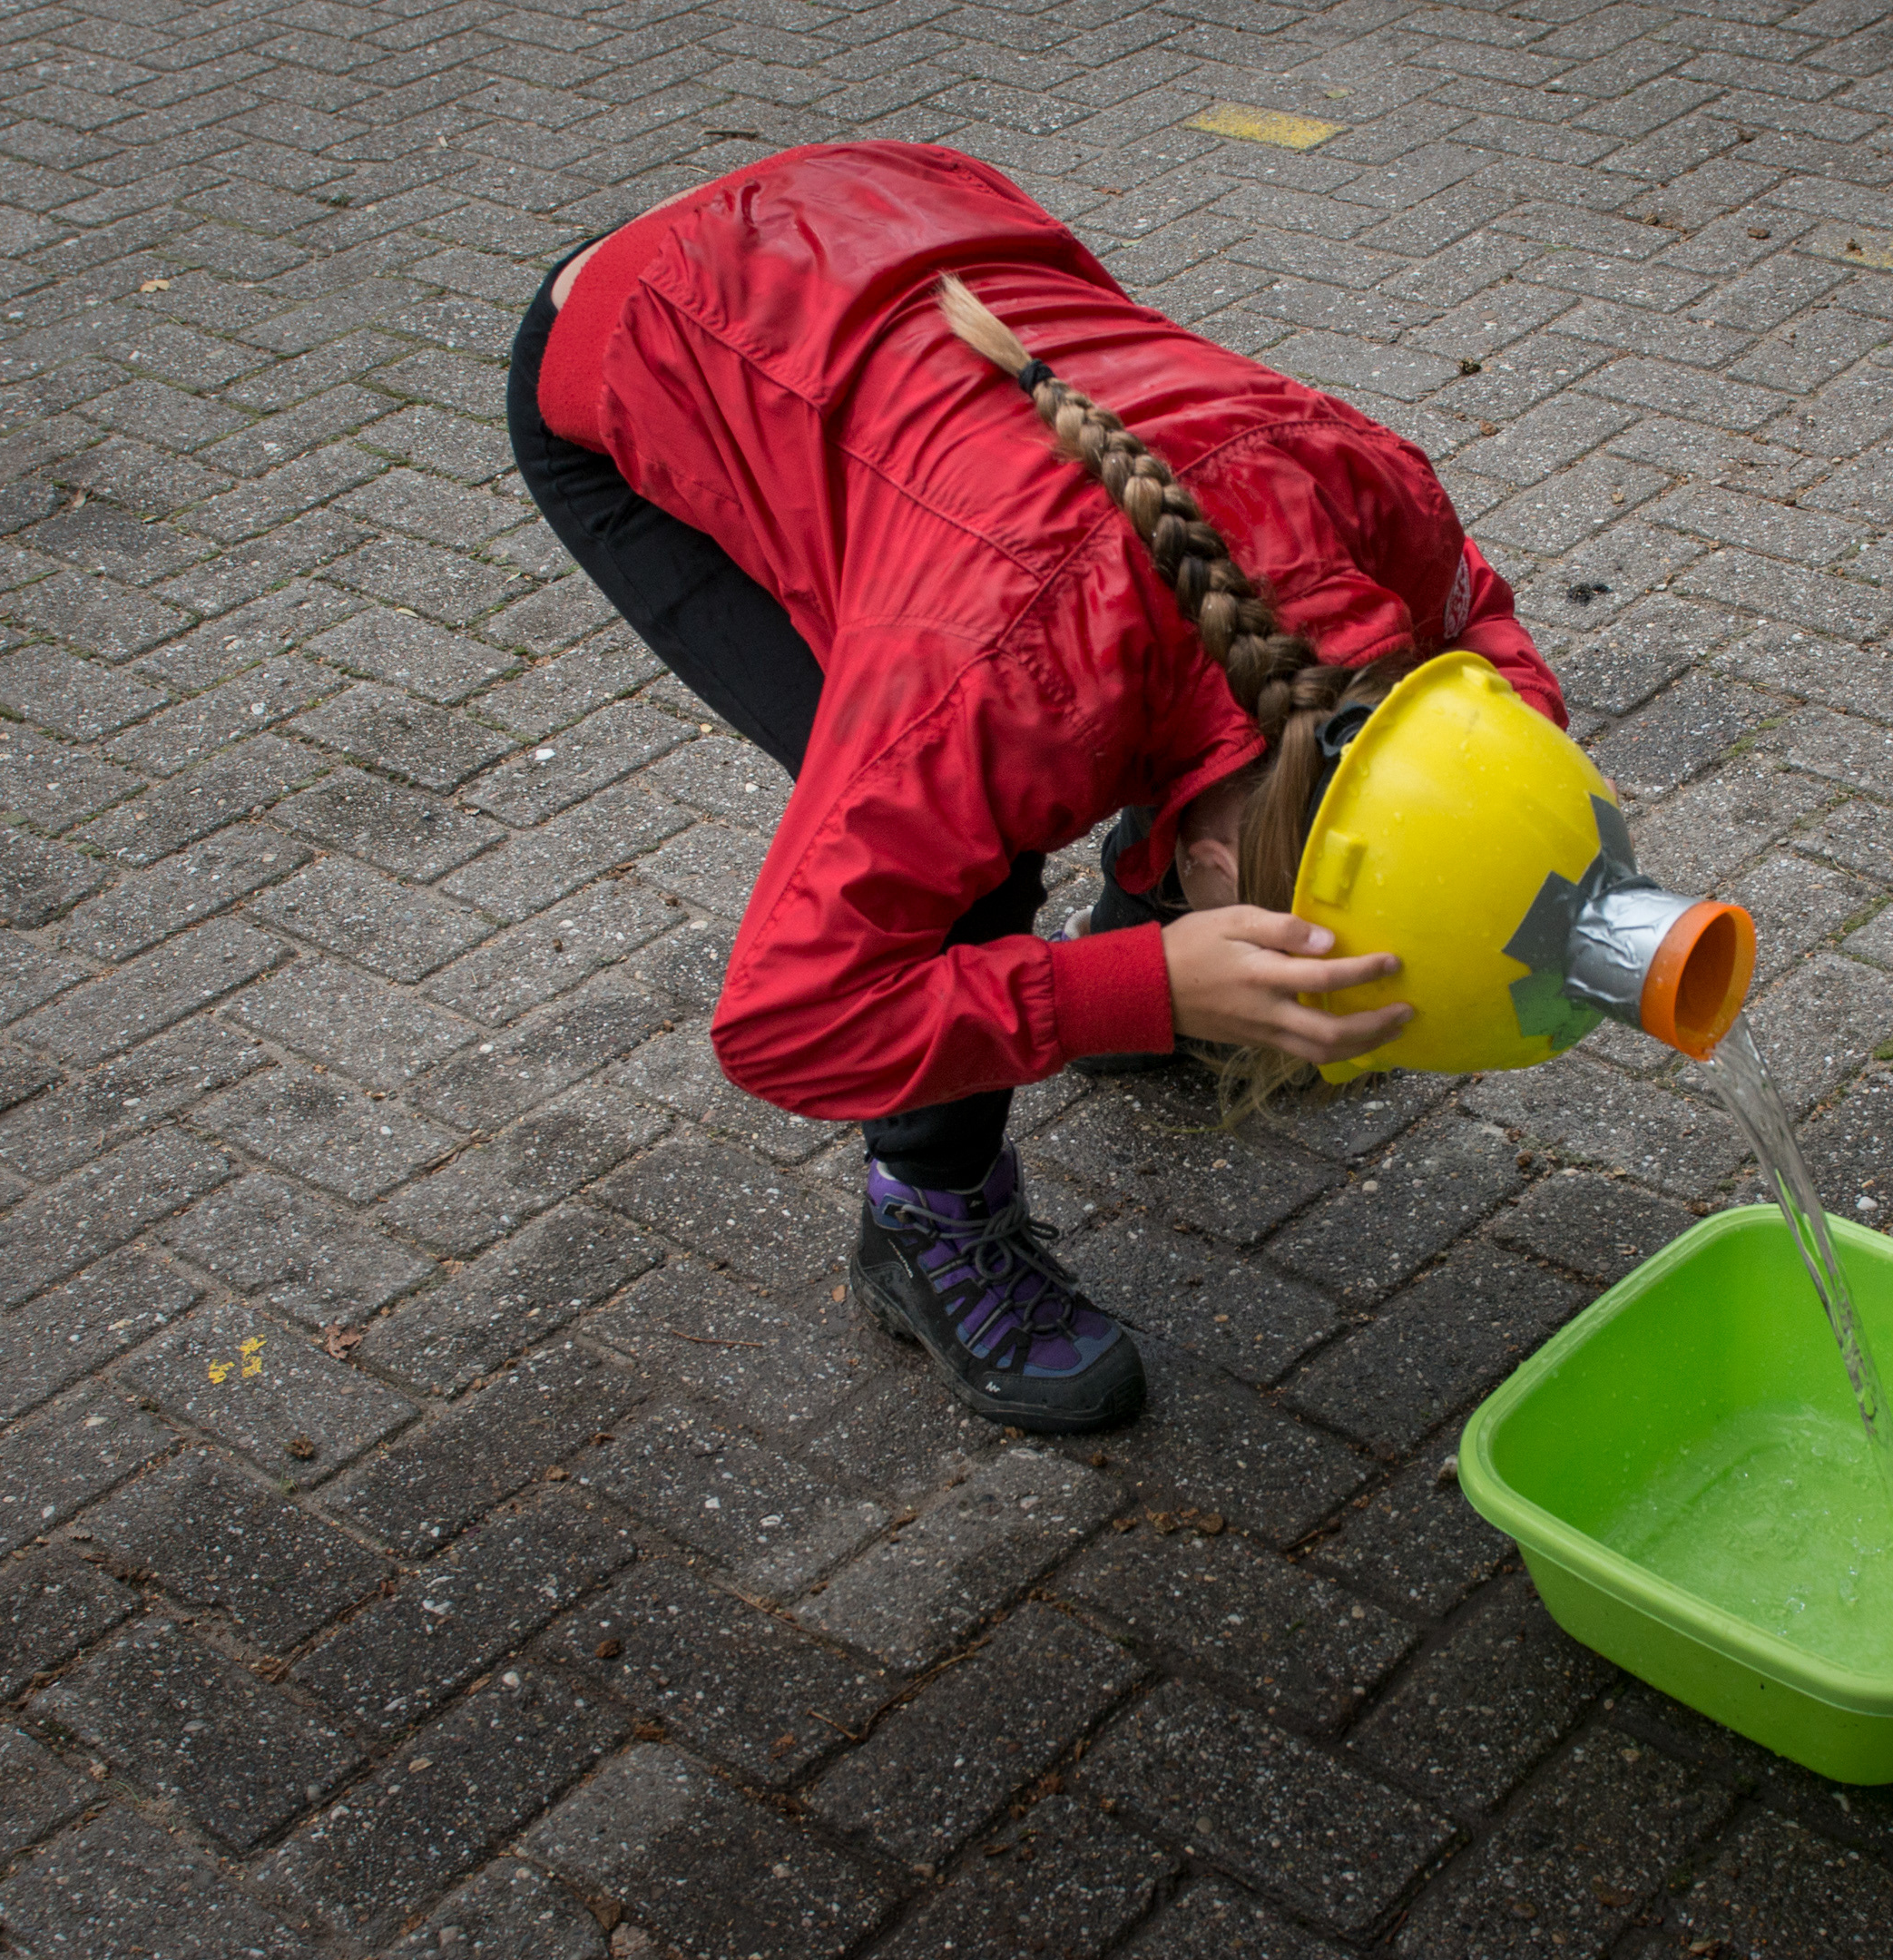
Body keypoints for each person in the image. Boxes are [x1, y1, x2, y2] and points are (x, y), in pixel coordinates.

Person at [507, 142, 1566, 1434]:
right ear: (1212, 869)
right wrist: (1133, 988)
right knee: (965, 875)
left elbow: (1486, 633)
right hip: (648, 334)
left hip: (892, 214)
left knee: (1179, 686)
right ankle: (928, 1220)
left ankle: (1176, 964)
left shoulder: (1366, 503)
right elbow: (784, 1024)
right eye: (1298, 941)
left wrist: (1503, 769)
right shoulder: (994, 685)